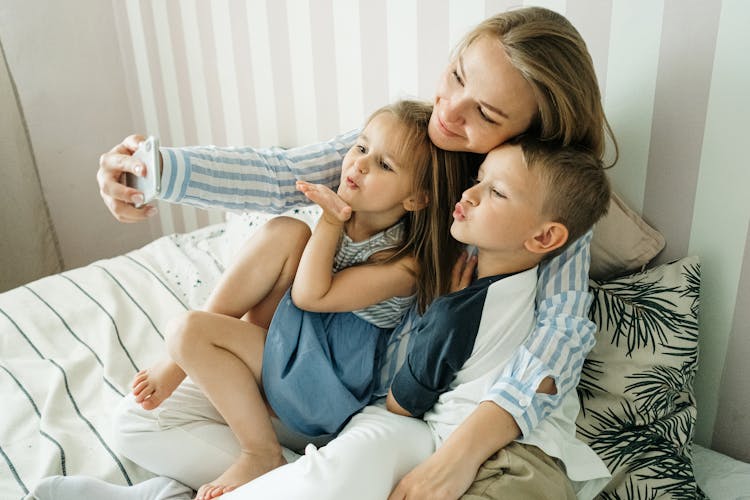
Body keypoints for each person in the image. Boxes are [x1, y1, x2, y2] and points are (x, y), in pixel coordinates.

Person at [40, 6, 618, 500]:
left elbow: (560, 338)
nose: (451, 110)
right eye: (456, 75)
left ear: (531, 133)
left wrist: (461, 454)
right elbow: (283, 173)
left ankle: (293, 478)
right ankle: (280, 475)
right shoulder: (411, 135)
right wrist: (153, 171)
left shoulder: (538, 201)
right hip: (309, 368)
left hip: (380, 399)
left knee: (352, 459)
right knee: (135, 423)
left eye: (486, 113)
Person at [129, 100, 471, 499]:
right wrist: (329, 222)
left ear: (416, 199)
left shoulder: (401, 264)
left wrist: (329, 220)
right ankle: (186, 355)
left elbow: (311, 296)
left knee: (186, 330)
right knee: (287, 231)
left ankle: (261, 451)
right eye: (361, 149)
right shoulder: (343, 219)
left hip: (321, 383)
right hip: (291, 346)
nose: (359, 166)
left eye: (384, 166)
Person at [383, 138, 612, 499]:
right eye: (478, 178)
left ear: (545, 236)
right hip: (547, 463)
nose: (470, 194)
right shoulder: (535, 295)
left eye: (497, 192)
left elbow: (400, 403)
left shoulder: (455, 311)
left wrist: (438, 318)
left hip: (503, 464)